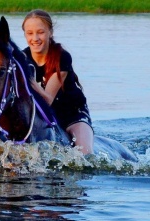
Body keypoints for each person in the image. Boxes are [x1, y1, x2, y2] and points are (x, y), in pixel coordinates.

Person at [22, 9, 94, 154]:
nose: (35, 38)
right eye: (30, 33)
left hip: (72, 115)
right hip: (43, 117)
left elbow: (47, 99)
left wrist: (27, 78)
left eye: (40, 32)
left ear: (50, 32)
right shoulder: (22, 59)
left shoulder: (62, 57)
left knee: (86, 155)